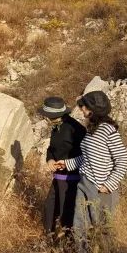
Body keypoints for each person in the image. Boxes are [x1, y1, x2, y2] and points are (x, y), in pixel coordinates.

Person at [49, 90, 127, 253]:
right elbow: (85, 158)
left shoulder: (108, 130)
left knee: (102, 229)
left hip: (101, 188)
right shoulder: (92, 130)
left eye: (84, 106)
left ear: (94, 109)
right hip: (84, 183)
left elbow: (123, 159)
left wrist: (109, 184)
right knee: (80, 226)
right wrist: (66, 163)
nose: (82, 109)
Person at [39, 96, 87, 238]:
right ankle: (50, 238)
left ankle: (69, 245)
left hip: (71, 179)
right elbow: (51, 149)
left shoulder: (76, 129)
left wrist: (67, 164)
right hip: (58, 177)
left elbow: (85, 154)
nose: (46, 118)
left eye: (48, 116)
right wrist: (50, 160)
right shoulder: (56, 127)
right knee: (50, 208)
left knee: (67, 212)